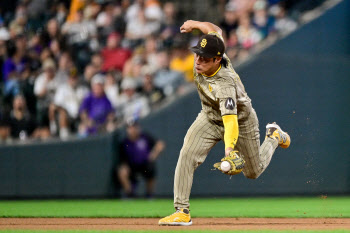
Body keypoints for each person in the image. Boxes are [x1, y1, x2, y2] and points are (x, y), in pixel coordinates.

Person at [158, 20, 291, 226]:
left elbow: (231, 123)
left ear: (217, 60)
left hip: (241, 120)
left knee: (253, 172)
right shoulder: (215, 46)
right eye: (197, 54)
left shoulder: (225, 84)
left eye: (204, 58)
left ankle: (273, 137)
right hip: (210, 116)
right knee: (187, 154)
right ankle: (181, 211)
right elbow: (215, 30)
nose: (198, 60)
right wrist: (195, 23)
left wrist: (229, 150)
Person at [117, 118, 165, 198]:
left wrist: (153, 155)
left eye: (134, 127)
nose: (132, 130)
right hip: (131, 167)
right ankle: (130, 194)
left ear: (138, 128)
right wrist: (124, 166)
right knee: (122, 171)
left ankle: (149, 194)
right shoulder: (124, 142)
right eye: (130, 128)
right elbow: (122, 159)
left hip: (145, 165)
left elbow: (160, 144)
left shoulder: (145, 137)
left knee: (151, 168)